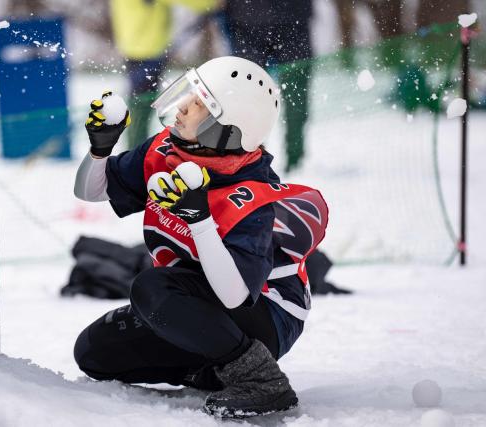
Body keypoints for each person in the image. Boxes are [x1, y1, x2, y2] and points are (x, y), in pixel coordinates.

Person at [72, 56, 328, 418]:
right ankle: (209, 371)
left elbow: (236, 295)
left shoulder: (251, 196)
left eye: (199, 104)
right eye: (189, 95)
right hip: (194, 295)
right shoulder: (169, 149)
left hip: (266, 315)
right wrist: (101, 149)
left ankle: (261, 381)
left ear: (224, 129)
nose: (182, 108)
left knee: (151, 288)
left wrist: (200, 219)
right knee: (93, 353)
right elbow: (92, 191)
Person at [109, 0, 218, 149]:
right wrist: (211, 3)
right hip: (146, 46)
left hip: (134, 44)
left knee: (140, 101)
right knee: (142, 103)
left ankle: (135, 148)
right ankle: (135, 150)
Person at [223, 0, 313, 172]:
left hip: (273, 19)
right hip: (253, 21)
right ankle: (250, 162)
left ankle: (294, 162)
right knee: (248, 99)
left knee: (292, 96)